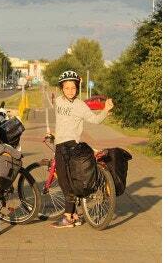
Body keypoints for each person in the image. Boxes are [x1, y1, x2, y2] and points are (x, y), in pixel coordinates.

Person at [47, 70, 115, 228]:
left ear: (77, 88)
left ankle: (68, 217)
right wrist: (53, 135)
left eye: (73, 87)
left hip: (70, 147)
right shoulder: (58, 101)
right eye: (67, 88)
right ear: (61, 88)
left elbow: (95, 120)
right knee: (69, 180)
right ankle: (75, 215)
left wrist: (105, 110)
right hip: (60, 144)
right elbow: (63, 122)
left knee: (65, 182)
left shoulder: (80, 106)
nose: (70, 91)